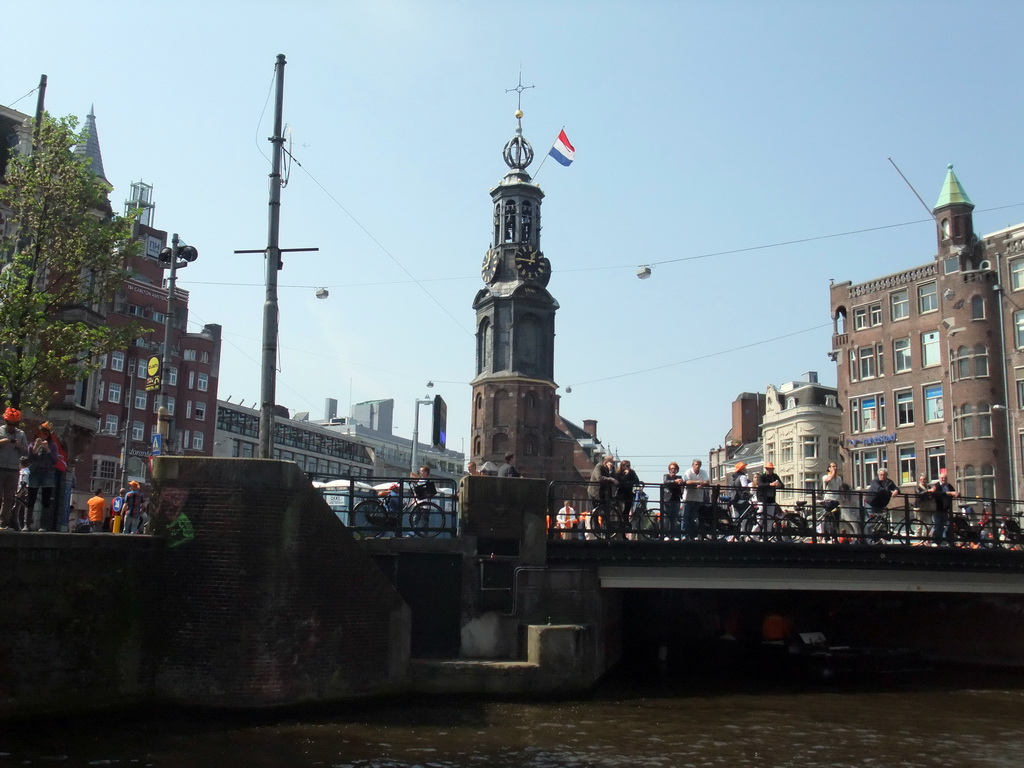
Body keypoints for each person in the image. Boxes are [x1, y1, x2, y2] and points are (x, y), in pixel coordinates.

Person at [0, 407, 29, 531]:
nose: (11, 426)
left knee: (9, 497)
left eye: (14, 424)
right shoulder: (0, 431)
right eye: (9, 423)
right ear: (5, 421)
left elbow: (26, 452)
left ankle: (3, 522)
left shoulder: (21, 434)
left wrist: (19, 446)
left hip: (13, 469)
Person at [26, 424, 58, 531]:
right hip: (35, 473)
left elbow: (55, 460)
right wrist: (35, 448)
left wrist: (47, 450)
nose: (43, 435)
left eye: (45, 433)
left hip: (47, 473)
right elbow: (29, 458)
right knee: (31, 498)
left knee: (46, 500)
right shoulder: (32, 444)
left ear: (48, 435)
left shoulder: (52, 445)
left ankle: (43, 525)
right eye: (40, 433)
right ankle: (27, 524)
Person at [865, 468, 900, 541]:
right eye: (881, 475)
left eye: (884, 475)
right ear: (878, 475)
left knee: (880, 522)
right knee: (870, 521)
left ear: (887, 475)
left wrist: (896, 490)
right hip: (871, 503)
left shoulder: (889, 482)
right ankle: (869, 540)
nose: (882, 476)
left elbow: (896, 488)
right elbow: (879, 489)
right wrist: (890, 491)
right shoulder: (875, 481)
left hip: (881, 505)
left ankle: (877, 539)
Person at [682, 459, 710, 539]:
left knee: (694, 518)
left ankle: (693, 535)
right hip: (687, 498)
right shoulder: (688, 472)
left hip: (698, 498)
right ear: (693, 465)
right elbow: (687, 482)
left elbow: (707, 482)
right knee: (685, 517)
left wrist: (702, 484)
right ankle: (684, 535)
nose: (698, 466)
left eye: (699, 465)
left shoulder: (703, 472)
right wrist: (698, 482)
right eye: (696, 464)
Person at [588, 455, 619, 528]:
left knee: (606, 509)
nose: (612, 464)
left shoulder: (611, 468)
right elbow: (600, 478)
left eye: (613, 462)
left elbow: (615, 479)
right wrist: (611, 479)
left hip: (604, 492)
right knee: (595, 510)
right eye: (611, 462)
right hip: (594, 491)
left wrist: (611, 472)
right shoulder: (599, 467)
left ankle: (607, 525)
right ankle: (596, 527)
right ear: (605, 462)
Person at [755, 462, 784, 535]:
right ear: (766, 469)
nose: (769, 470)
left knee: (770, 518)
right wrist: (770, 484)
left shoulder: (775, 476)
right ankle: (754, 534)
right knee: (760, 518)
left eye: (771, 469)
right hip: (762, 499)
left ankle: (767, 535)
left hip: (771, 499)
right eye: (768, 469)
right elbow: (760, 484)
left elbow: (782, 486)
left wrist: (779, 485)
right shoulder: (762, 476)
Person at [931, 468, 958, 546]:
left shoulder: (948, 485)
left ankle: (941, 541)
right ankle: (934, 541)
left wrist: (956, 494)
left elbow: (954, 492)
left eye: (945, 478)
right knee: (937, 525)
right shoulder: (936, 485)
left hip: (945, 509)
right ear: (939, 479)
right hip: (937, 508)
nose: (943, 479)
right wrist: (949, 493)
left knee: (943, 525)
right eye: (942, 478)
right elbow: (939, 494)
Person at [820, 462, 843, 541]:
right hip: (828, 500)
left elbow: (840, 489)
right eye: (832, 466)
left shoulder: (839, 478)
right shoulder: (825, 476)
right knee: (828, 518)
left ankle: (835, 537)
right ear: (829, 468)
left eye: (835, 466)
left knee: (836, 519)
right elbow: (828, 479)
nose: (834, 468)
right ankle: (826, 536)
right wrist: (833, 472)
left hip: (836, 500)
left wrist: (843, 498)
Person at [615, 460, 641, 527]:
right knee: (621, 512)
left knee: (627, 511)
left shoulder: (632, 472)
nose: (628, 467)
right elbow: (621, 482)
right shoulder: (618, 473)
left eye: (629, 465)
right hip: (621, 494)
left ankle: (625, 527)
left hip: (629, 494)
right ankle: (622, 527)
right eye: (626, 466)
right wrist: (626, 475)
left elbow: (636, 480)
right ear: (622, 466)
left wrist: (629, 480)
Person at [661, 462, 684, 539]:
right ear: (669, 469)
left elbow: (682, 484)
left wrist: (681, 483)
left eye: (675, 468)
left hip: (676, 499)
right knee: (666, 518)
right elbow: (665, 482)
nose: (673, 470)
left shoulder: (679, 477)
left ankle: (674, 535)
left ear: (677, 470)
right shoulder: (666, 476)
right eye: (671, 468)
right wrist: (675, 481)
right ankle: (666, 535)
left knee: (675, 518)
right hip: (667, 499)